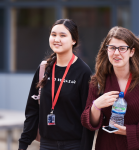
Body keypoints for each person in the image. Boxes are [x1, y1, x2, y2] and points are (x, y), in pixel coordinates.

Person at [18, 19, 93, 150]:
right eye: (53, 34)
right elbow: (32, 110)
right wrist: (23, 144)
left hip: (74, 145)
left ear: (74, 40)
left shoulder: (83, 71)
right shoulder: (43, 68)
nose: (56, 39)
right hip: (47, 144)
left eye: (63, 35)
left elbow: (87, 116)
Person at [81, 26, 139, 150]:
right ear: (106, 50)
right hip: (108, 145)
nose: (116, 53)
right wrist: (96, 105)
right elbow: (89, 123)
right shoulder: (98, 81)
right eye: (112, 48)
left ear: (132, 51)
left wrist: (129, 131)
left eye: (122, 48)